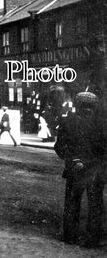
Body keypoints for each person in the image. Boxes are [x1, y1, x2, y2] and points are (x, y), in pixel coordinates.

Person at [54, 91, 106, 247]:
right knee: (96, 205)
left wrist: (73, 159)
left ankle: (70, 236)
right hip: (95, 171)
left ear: (77, 104)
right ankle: (93, 239)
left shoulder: (67, 122)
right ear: (95, 106)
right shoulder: (103, 123)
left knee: (72, 203)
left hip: (75, 169)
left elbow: (60, 147)